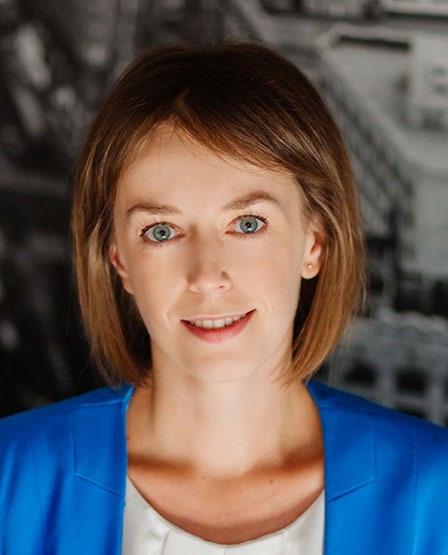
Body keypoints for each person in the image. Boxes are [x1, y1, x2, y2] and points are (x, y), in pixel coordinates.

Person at [1, 40, 448, 555]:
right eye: (162, 231)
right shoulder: (11, 480)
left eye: (247, 224)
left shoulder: (433, 493)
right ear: (119, 261)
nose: (207, 276)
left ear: (314, 243)